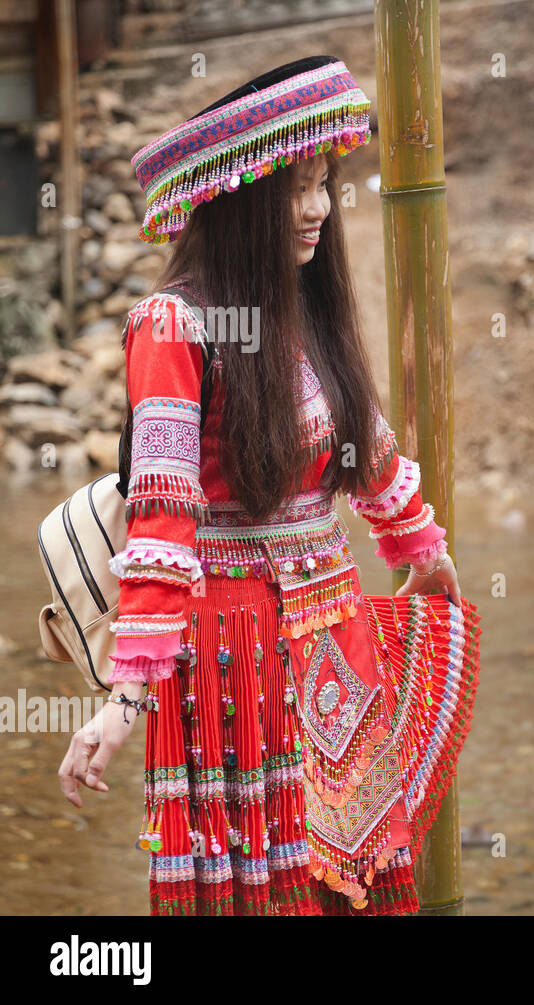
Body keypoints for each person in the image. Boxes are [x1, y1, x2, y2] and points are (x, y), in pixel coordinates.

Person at [56, 56, 481, 916]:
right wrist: (125, 696)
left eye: (325, 183)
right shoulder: (171, 325)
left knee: (350, 879)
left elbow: (371, 451)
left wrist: (420, 552)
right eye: (295, 189)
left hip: (334, 630)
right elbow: (164, 518)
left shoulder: (306, 312)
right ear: (243, 201)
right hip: (229, 651)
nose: (320, 208)